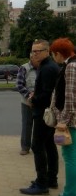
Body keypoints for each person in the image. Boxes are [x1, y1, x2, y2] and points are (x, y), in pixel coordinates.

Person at [20, 39, 60, 195]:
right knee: (49, 145)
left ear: (47, 51)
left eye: (38, 51)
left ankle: (42, 183)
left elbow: (47, 94)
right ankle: (51, 179)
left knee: (37, 146)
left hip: (43, 113)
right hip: (45, 112)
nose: (34, 54)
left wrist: (33, 100)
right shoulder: (46, 66)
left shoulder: (48, 68)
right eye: (33, 51)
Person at [50, 38, 76, 196]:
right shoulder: (71, 64)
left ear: (58, 54)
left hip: (70, 122)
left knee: (69, 157)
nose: (54, 57)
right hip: (70, 120)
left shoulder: (71, 67)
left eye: (53, 54)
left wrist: (62, 122)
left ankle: (69, 192)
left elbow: (71, 99)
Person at [16, 54, 39, 155]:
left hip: (40, 102)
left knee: (39, 125)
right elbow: (19, 85)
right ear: (31, 58)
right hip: (26, 103)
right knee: (27, 125)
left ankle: (38, 147)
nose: (38, 60)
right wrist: (29, 96)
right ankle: (25, 147)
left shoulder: (42, 68)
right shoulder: (24, 68)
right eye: (36, 58)